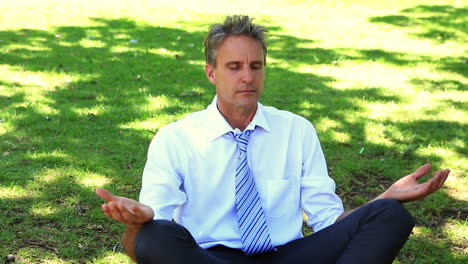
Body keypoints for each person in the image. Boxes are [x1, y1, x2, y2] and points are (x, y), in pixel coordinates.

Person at [96, 15, 450, 263]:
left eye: (256, 66)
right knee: (156, 235)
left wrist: (385, 197)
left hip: (288, 256)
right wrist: (139, 222)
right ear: (211, 73)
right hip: (210, 258)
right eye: (234, 67)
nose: (247, 77)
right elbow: (147, 239)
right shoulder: (175, 138)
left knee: (391, 215)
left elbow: (328, 221)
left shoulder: (296, 130)